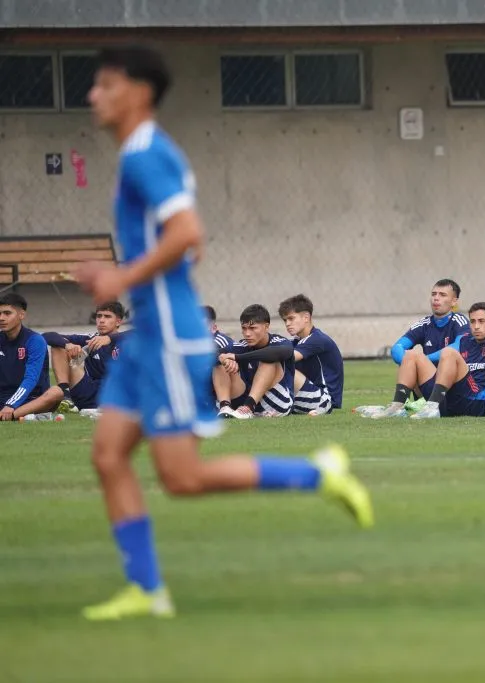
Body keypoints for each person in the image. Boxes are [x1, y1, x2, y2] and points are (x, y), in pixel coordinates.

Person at [73, 45, 372, 621]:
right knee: (109, 457)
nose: (93, 95)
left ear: (137, 92)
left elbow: (187, 232)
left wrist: (120, 275)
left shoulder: (145, 156)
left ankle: (318, 475)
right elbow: (189, 236)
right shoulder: (147, 152)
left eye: (104, 84)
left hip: (170, 341)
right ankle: (146, 589)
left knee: (180, 478)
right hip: (149, 336)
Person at [370, 301, 485, 419]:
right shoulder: (466, 340)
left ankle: (430, 407)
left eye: (482, 321)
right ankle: (396, 407)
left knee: (449, 353)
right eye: (472, 321)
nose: (476, 326)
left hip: (476, 403)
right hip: (449, 402)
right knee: (412, 355)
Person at [44, 301, 129, 417]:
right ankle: (65, 396)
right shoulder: (89, 339)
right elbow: (47, 336)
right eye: (99, 316)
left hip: (117, 395)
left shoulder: (128, 340)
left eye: (107, 316)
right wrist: (68, 345)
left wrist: (109, 338)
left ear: (118, 321)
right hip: (88, 393)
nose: (102, 320)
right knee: (59, 346)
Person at [213, 304, 296, 419]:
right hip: (243, 401)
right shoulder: (241, 345)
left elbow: (286, 351)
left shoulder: (279, 342)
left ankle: (248, 408)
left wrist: (237, 357)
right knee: (220, 361)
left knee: (269, 360)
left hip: (276, 402)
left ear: (266, 327)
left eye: (252, 328)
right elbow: (210, 354)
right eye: (244, 328)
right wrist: (224, 359)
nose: (247, 334)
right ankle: (225, 407)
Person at [0, 292, 63, 421]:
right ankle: (9, 415)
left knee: (56, 392)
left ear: (21, 315)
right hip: (3, 397)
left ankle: (9, 415)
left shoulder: (35, 341)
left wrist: (11, 404)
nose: (1, 318)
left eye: (7, 313)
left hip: (31, 400)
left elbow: (31, 378)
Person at [279, 294, 344, 416]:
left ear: (306, 317)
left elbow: (287, 359)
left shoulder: (317, 339)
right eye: (285, 320)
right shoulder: (297, 342)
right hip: (310, 394)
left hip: (325, 400)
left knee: (278, 365)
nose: (287, 324)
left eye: (291, 318)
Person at [391, 279, 469, 366]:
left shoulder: (460, 321)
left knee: (448, 354)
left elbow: (459, 346)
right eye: (433, 294)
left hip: (455, 375)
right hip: (429, 374)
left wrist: (422, 360)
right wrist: (409, 363)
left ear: (454, 301)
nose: (436, 298)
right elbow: (397, 348)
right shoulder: (424, 324)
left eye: (442, 295)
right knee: (408, 358)